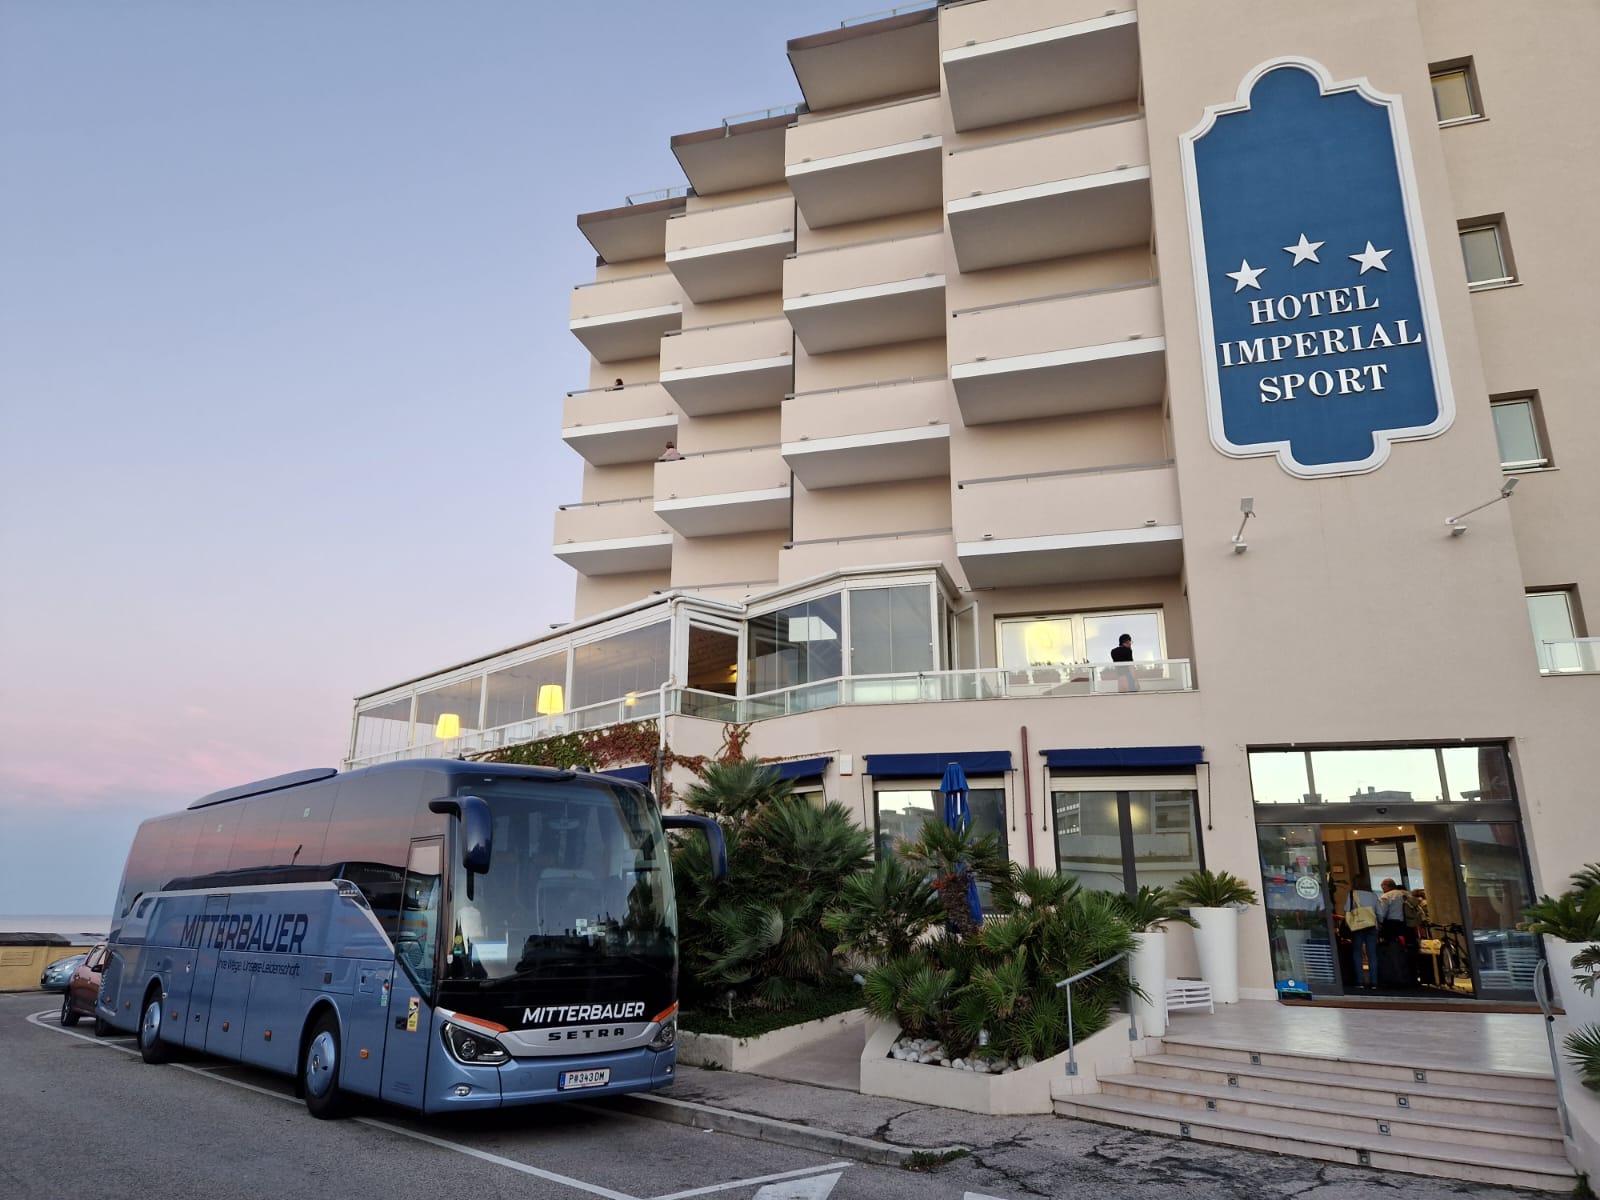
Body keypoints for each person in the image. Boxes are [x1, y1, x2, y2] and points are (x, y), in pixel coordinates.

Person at [1377, 877, 1416, 986]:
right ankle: (1411, 976)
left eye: (1382, 886)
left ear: (1386, 886)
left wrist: (1378, 925)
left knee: (1392, 949)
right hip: (1407, 925)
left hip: (1392, 925)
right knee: (1408, 950)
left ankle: (1394, 976)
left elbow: (1381, 914)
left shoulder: (1386, 896)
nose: (1382, 888)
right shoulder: (1405, 894)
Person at [1345, 881, 1380, 990]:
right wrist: (1379, 922)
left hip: (1357, 926)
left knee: (1357, 953)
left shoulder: (1352, 894)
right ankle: (1374, 982)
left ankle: (1359, 981)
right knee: (1372, 954)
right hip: (1371, 925)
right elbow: (1380, 912)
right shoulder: (1373, 895)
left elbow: (1346, 909)